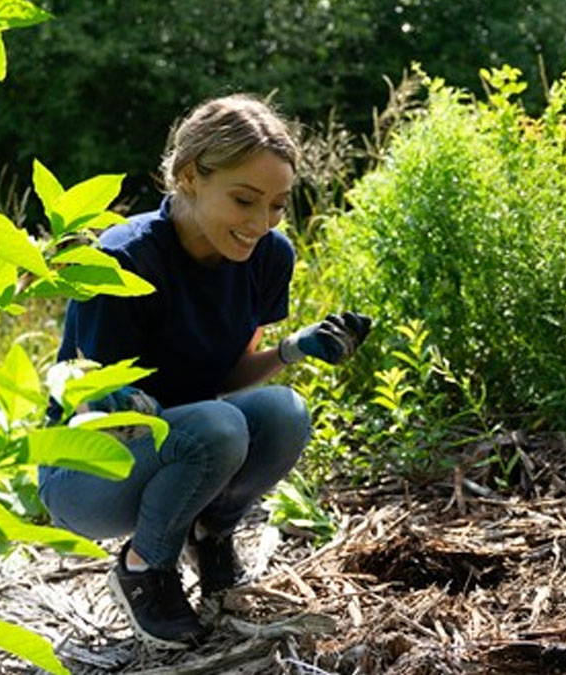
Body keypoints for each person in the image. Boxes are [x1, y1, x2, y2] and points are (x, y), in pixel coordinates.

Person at [37, 93, 371, 650]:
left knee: (285, 413)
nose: (262, 223)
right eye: (245, 200)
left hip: (187, 441)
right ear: (190, 176)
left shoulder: (268, 256)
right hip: (87, 473)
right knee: (219, 427)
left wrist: (296, 348)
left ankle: (209, 530)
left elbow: (225, 375)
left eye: (278, 205)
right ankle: (145, 569)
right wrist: (115, 401)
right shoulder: (122, 260)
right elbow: (81, 402)